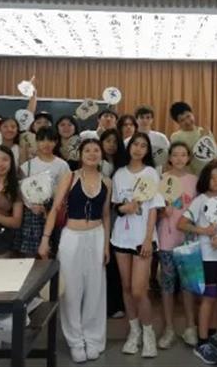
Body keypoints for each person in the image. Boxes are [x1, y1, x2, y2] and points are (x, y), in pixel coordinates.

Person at [39, 139, 112, 362]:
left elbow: (106, 215)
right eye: (87, 150)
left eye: (96, 150)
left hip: (97, 235)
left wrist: (106, 245)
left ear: (101, 155)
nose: (92, 154)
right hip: (72, 237)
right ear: (80, 154)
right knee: (71, 290)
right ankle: (75, 340)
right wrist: (45, 239)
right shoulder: (69, 177)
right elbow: (55, 209)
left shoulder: (107, 182)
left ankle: (93, 338)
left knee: (95, 290)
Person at [110, 132, 164, 358]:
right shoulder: (119, 174)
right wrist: (125, 208)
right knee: (126, 288)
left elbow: (153, 209)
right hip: (121, 238)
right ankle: (134, 332)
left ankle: (148, 333)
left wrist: (148, 238)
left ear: (147, 150)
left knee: (139, 290)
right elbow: (115, 206)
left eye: (143, 145)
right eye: (135, 144)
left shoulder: (151, 173)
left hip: (143, 239)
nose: (138, 149)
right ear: (129, 147)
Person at [178, 160, 217, 365]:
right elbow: (181, 224)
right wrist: (204, 231)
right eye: (212, 177)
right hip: (205, 257)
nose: (216, 180)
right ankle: (201, 343)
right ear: (205, 180)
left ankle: (212, 334)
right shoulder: (199, 201)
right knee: (208, 298)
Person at [157, 142, 199, 349]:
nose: (180, 158)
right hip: (166, 238)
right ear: (170, 158)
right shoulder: (161, 179)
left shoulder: (195, 181)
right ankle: (169, 329)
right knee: (167, 283)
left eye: (183, 154)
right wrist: (161, 211)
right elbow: (153, 209)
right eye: (175, 154)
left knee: (188, 284)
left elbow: (200, 210)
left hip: (189, 239)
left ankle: (190, 327)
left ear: (189, 157)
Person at [15, 127, 70, 258]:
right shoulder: (27, 166)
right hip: (32, 212)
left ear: (56, 142)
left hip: (55, 211)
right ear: (37, 142)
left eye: (50, 140)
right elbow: (21, 191)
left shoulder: (62, 165)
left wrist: (54, 206)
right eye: (42, 140)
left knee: (54, 250)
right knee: (31, 254)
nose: (46, 144)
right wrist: (31, 206)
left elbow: (66, 190)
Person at [98, 128, 127, 319]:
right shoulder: (95, 163)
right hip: (96, 218)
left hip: (117, 218)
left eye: (115, 141)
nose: (111, 145)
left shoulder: (123, 167)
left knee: (115, 263)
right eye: (107, 141)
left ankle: (116, 304)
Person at [169, 101, 215, 176]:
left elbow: (213, 154)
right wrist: (201, 140)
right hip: (190, 177)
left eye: (188, 116)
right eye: (182, 120)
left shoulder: (205, 131)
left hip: (209, 175)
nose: (187, 122)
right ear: (178, 123)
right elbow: (184, 159)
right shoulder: (176, 137)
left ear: (192, 114)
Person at [134, 105, 171, 173]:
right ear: (136, 119)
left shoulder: (161, 138)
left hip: (156, 174)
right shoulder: (129, 140)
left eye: (148, 117)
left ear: (152, 119)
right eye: (141, 117)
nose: (145, 120)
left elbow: (168, 157)